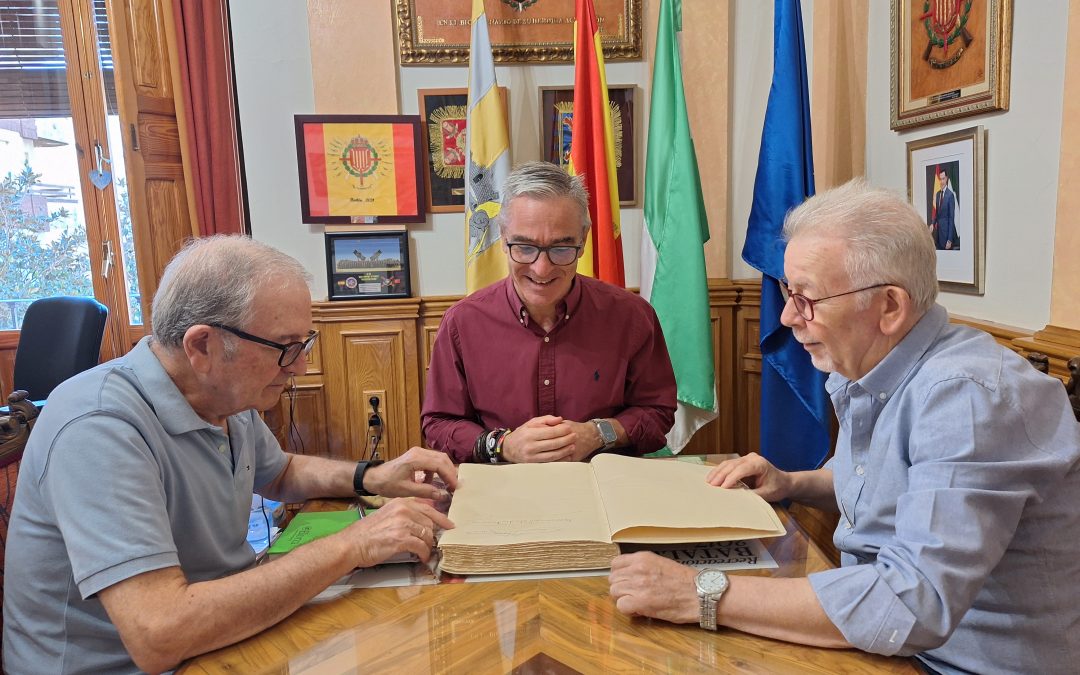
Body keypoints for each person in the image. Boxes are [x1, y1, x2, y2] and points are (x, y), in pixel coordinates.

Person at [608, 179, 1080, 675]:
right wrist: (793, 483)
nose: (789, 317)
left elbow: (911, 603)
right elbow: (889, 481)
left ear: (890, 308)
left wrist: (700, 593)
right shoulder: (874, 366)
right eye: (789, 293)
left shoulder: (967, 399)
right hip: (890, 646)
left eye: (807, 297)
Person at [2, 236, 457, 675]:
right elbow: (160, 634)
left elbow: (280, 472)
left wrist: (373, 476)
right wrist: (354, 545)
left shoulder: (224, 395)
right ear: (202, 346)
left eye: (305, 344)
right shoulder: (98, 426)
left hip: (217, 643)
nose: (299, 366)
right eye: (285, 347)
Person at [422, 161, 676, 464]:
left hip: (604, 488)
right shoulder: (462, 323)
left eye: (561, 248)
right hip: (499, 489)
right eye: (525, 247)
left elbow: (657, 412)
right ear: (503, 238)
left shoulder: (632, 317)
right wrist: (504, 445)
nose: (542, 269)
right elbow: (439, 423)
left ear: (582, 241)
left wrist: (598, 433)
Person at [931, 169, 958, 250]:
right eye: (940, 179)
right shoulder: (938, 194)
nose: (941, 181)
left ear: (946, 179)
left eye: (943, 179)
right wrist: (932, 223)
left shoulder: (950, 195)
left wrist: (949, 240)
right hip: (938, 235)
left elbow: (951, 218)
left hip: (946, 237)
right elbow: (937, 214)